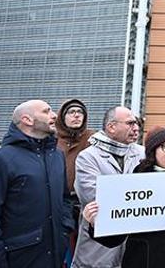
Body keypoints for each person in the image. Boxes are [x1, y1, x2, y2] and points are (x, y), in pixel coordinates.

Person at [0, 100, 74, 268]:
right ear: (27, 120)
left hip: (54, 256)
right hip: (18, 259)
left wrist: (65, 228)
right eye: (46, 111)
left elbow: (64, 199)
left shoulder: (57, 156)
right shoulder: (1, 159)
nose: (54, 115)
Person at [81, 127, 165, 267]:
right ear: (153, 151)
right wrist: (95, 223)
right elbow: (115, 238)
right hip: (142, 260)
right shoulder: (135, 180)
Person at [72, 106, 145, 268]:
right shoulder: (88, 157)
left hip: (133, 248)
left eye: (137, 123)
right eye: (130, 123)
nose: (136, 128)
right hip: (99, 248)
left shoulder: (142, 153)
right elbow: (96, 199)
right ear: (112, 127)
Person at [55, 98, 94, 266]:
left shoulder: (93, 138)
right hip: (58, 200)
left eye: (80, 113)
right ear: (62, 117)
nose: (77, 116)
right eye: (72, 112)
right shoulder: (52, 138)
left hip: (84, 201)